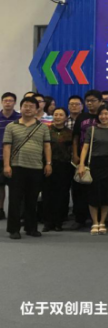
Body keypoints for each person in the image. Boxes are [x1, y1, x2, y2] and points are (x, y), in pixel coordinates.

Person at [2, 96, 51, 239]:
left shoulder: (42, 127)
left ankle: (31, 228)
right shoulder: (11, 126)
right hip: (16, 167)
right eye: (25, 106)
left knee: (32, 199)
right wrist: (6, 165)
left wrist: (48, 163)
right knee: (15, 200)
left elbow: (47, 146)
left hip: (36, 167)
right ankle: (14, 229)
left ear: (36, 110)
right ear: (21, 108)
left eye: (31, 106)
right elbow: (7, 147)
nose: (28, 108)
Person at [78, 104, 108, 236]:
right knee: (93, 193)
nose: (103, 116)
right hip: (94, 163)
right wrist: (81, 164)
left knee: (107, 194)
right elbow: (85, 148)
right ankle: (94, 222)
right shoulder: (91, 129)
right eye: (101, 114)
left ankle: (102, 222)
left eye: (106, 114)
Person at [71, 89, 104, 230]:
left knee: (98, 189)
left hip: (101, 158)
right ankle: (80, 219)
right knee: (80, 188)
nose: (90, 103)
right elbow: (75, 137)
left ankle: (98, 219)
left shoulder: (106, 115)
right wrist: (75, 154)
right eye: (88, 101)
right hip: (82, 157)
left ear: (100, 102)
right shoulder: (81, 117)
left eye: (93, 101)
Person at [43, 108, 73, 232]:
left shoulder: (70, 133)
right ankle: (47, 222)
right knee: (47, 193)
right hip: (48, 165)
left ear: (66, 118)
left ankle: (59, 221)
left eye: (61, 115)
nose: (58, 117)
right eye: (56, 114)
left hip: (65, 166)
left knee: (62, 193)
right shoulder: (46, 130)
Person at [0, 92, 20, 221]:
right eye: (5, 100)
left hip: (15, 158)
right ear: (2, 102)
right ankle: (0, 209)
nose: (8, 103)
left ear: (14, 103)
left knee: (15, 187)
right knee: (0, 185)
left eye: (10, 101)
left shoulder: (19, 118)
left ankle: (15, 212)